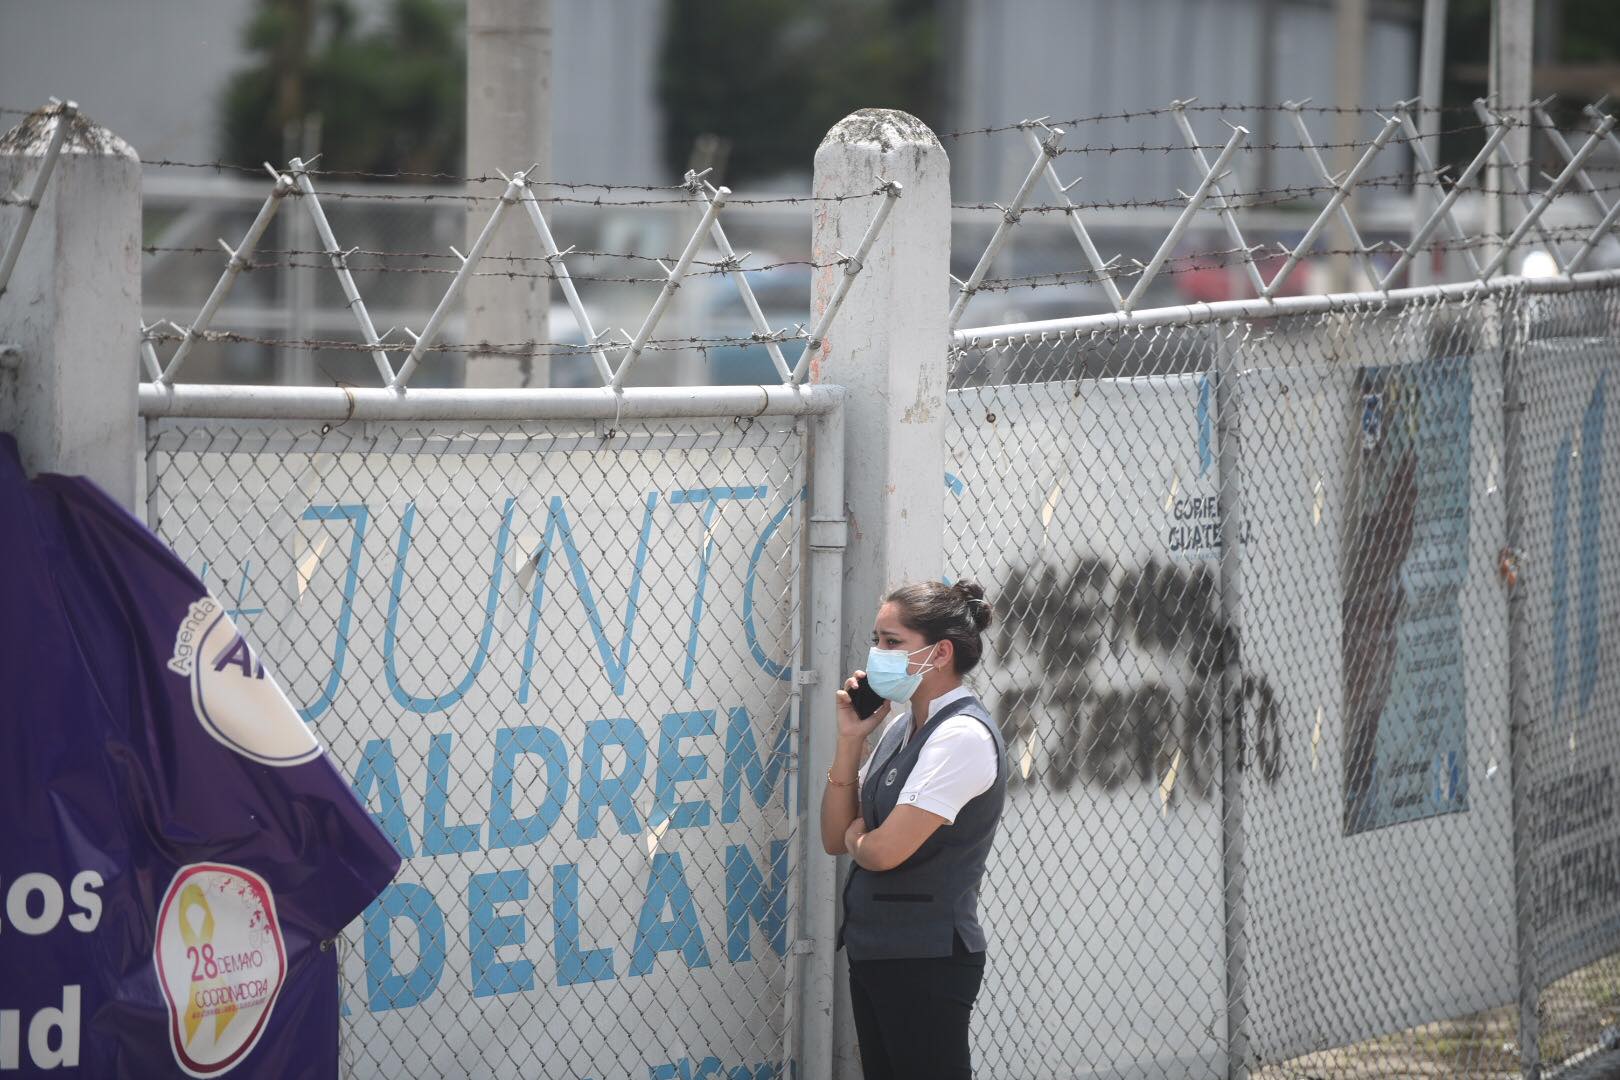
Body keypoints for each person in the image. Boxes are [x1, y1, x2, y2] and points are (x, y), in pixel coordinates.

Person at [820, 579, 1007, 1080]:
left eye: (891, 642)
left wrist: (863, 839)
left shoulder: (961, 736)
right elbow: (834, 836)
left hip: (927, 961)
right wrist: (851, 740)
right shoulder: (903, 728)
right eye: (876, 640)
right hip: (878, 953)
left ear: (940, 653)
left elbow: (879, 851)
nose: (876, 654)